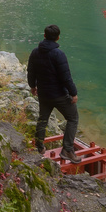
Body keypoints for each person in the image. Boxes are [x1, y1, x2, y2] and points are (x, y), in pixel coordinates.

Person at [27, 24, 79, 162]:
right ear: (58, 38)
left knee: (42, 119)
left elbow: (31, 72)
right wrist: (73, 93)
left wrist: (32, 86)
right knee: (73, 118)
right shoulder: (59, 54)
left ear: (44, 36)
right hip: (59, 95)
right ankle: (67, 150)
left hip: (43, 94)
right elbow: (66, 77)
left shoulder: (35, 52)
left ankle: (39, 147)